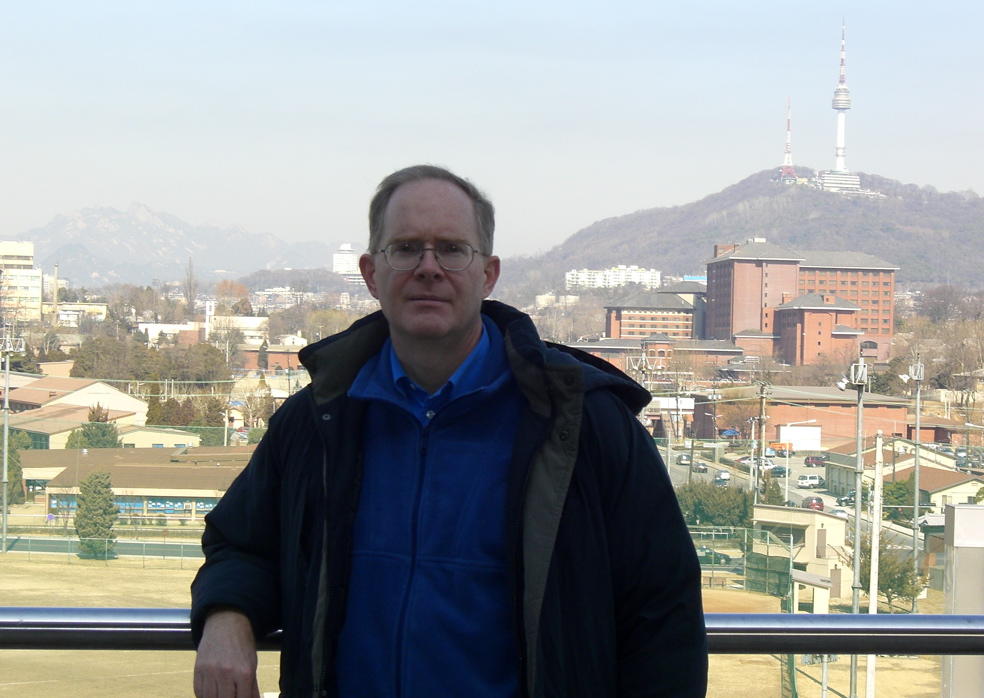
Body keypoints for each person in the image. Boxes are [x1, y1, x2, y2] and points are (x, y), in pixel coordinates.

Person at [191, 165, 707, 697]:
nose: (428, 267)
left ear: (488, 274)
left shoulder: (582, 423)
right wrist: (227, 617)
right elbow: (240, 542)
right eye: (407, 247)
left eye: (452, 249)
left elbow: (662, 613)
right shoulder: (317, 420)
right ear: (371, 273)